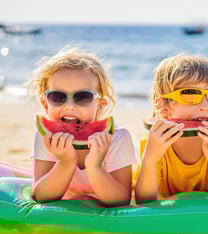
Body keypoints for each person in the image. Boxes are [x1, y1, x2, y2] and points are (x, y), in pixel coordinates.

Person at [29, 47, 137, 205]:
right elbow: (41, 196)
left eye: (83, 97)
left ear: (100, 105)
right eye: (58, 97)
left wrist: (95, 166)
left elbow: (121, 200)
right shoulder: (45, 136)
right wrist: (65, 163)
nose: (70, 106)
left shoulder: (118, 138)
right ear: (45, 103)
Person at [135, 54, 208, 202]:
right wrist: (150, 159)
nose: (205, 107)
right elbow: (144, 202)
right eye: (190, 95)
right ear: (163, 106)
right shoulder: (153, 143)